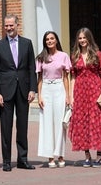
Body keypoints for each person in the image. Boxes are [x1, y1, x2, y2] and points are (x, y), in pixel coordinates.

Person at [0, 14, 37, 172]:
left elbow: (32, 68)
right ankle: (6, 161)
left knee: (22, 126)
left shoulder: (27, 43)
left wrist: (33, 89)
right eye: (6, 26)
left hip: (24, 91)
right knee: (6, 127)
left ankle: (22, 160)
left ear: (17, 25)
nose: (9, 28)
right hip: (5, 92)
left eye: (11, 25)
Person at [69, 27, 101, 168]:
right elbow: (73, 76)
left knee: (97, 121)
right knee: (83, 123)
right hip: (80, 92)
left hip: (95, 90)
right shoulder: (74, 55)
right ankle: (87, 156)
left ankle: (99, 155)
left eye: (84, 38)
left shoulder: (97, 54)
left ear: (89, 38)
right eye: (80, 38)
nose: (82, 40)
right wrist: (71, 95)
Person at [36, 31, 71, 168]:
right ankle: (50, 156)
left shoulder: (64, 56)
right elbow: (39, 78)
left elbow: (66, 78)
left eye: (52, 38)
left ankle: (61, 154)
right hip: (46, 89)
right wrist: (39, 95)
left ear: (56, 40)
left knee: (60, 124)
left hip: (59, 89)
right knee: (47, 123)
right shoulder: (41, 57)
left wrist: (68, 96)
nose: (49, 41)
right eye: (47, 39)